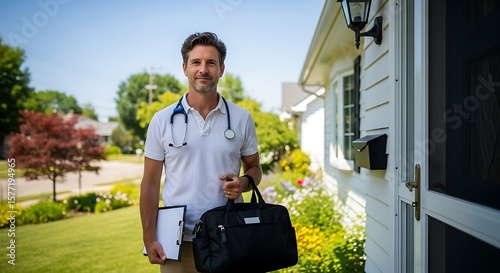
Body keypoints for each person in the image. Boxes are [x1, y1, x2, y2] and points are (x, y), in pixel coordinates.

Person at [140, 31, 263, 273]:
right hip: (177, 242)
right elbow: (150, 184)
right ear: (185, 68)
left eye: (211, 63)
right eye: (196, 62)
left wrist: (244, 182)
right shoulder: (162, 120)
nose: (203, 69)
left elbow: (255, 168)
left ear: (221, 69)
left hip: (229, 236)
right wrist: (149, 237)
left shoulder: (240, 118)